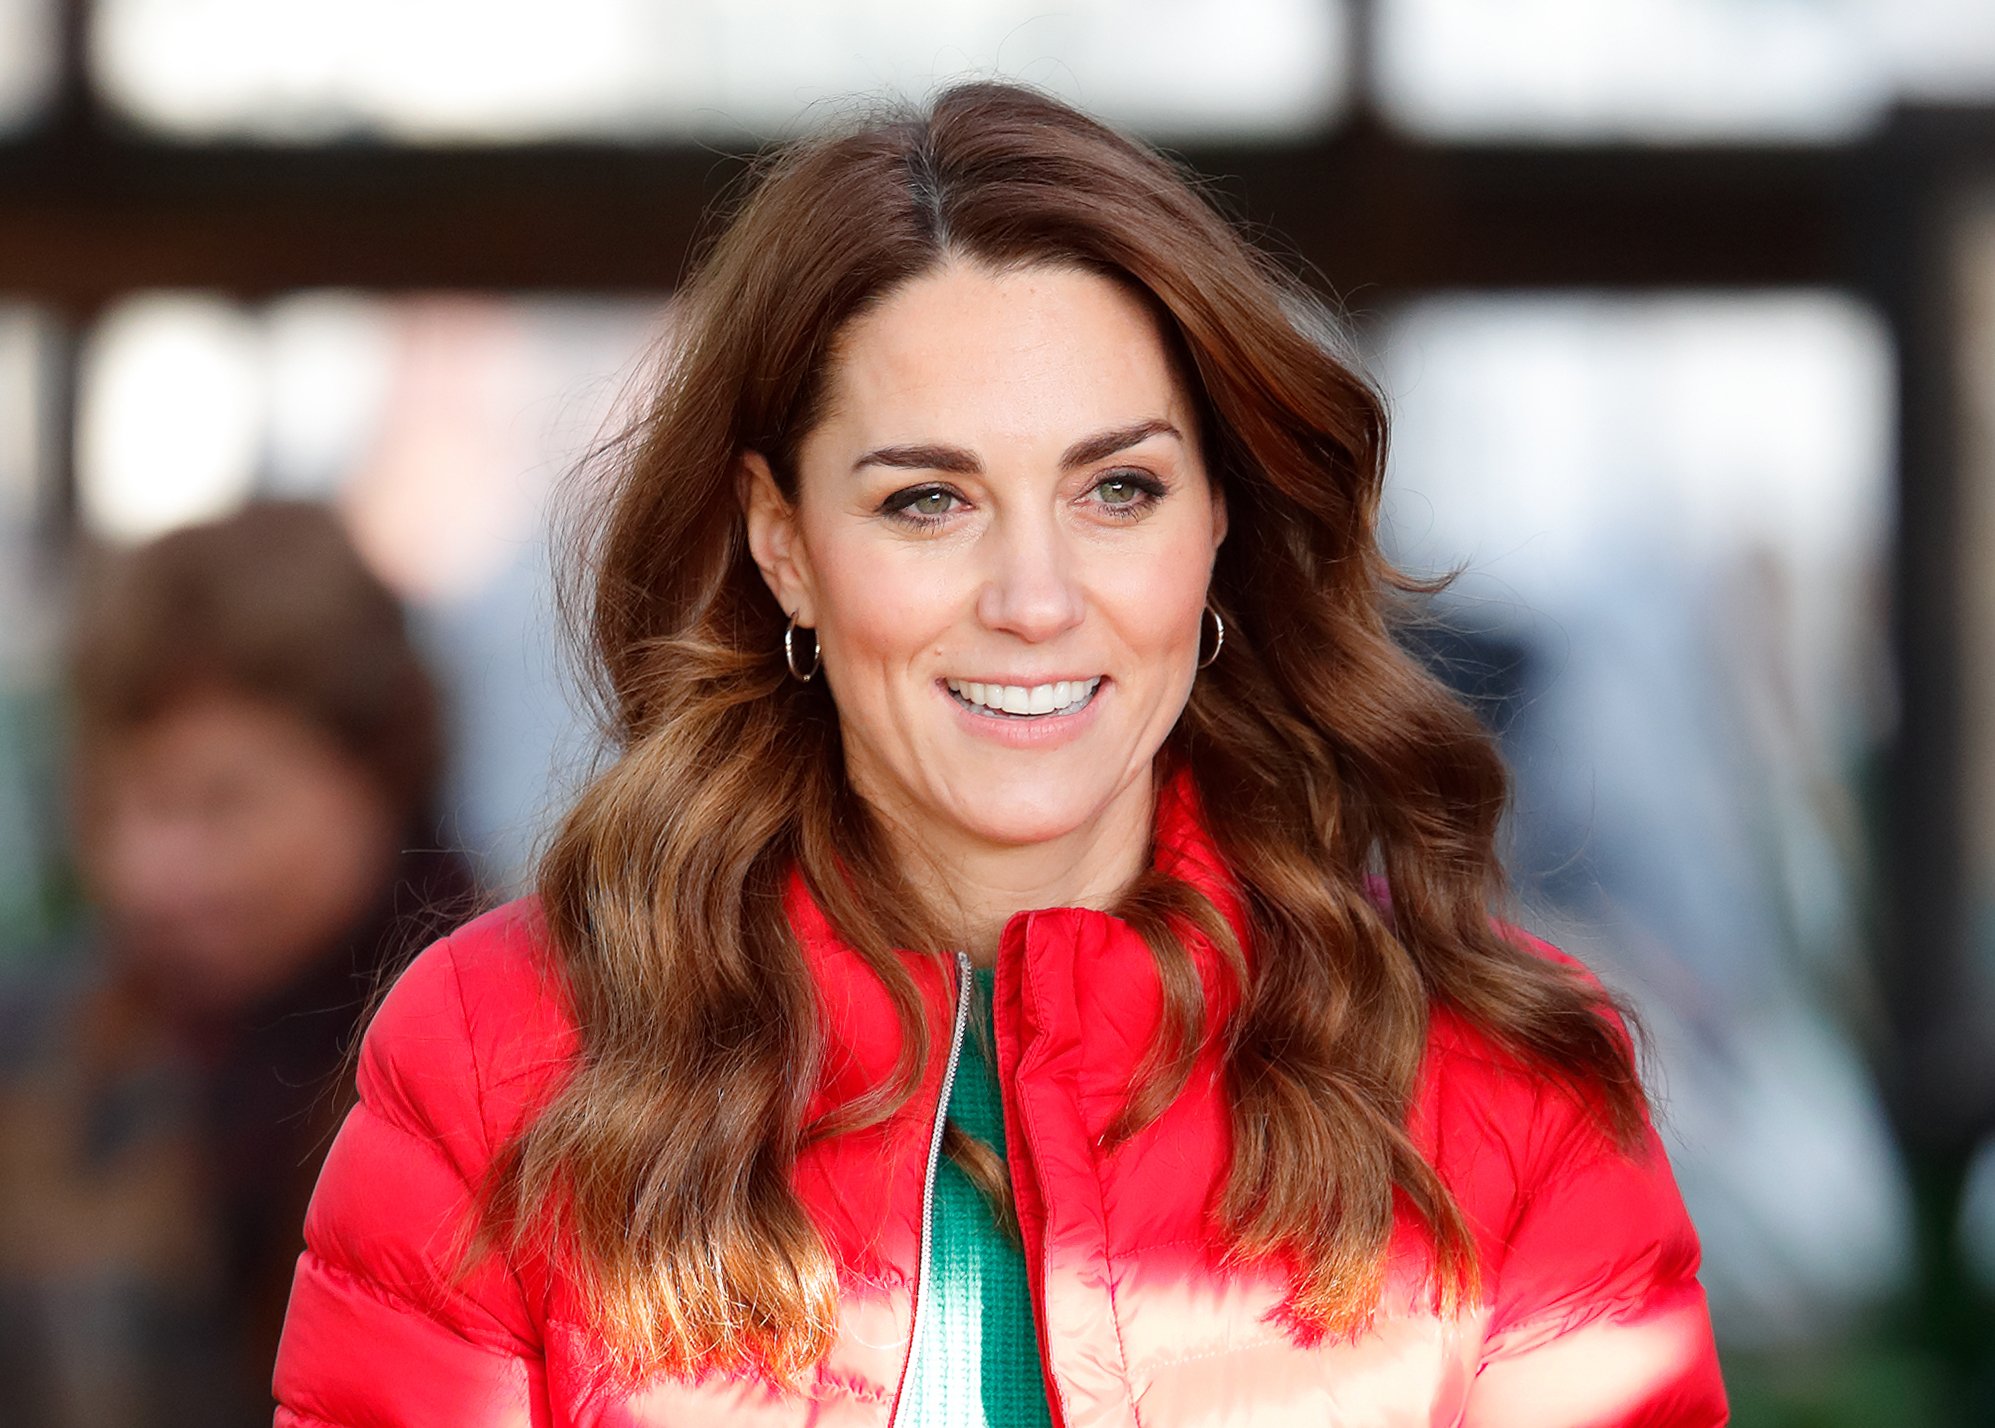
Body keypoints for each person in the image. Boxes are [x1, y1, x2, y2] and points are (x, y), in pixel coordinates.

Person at [272, 83, 1726, 1426]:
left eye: (1116, 488)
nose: (1033, 599)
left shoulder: (1498, 1085)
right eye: (926, 501)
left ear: (1218, 522)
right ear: (782, 542)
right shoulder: (501, 1059)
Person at [0, 502, 474, 1428]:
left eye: (222, 803)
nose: (150, 869)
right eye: (117, 804)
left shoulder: (522, 1063)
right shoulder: (44, 1056)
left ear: (377, 771)